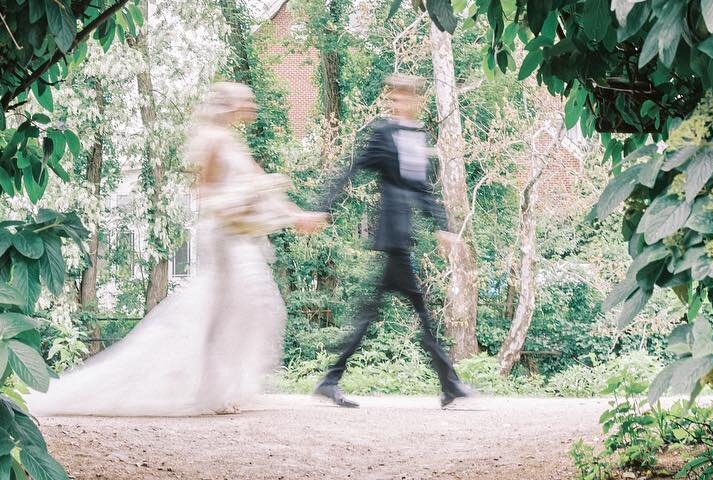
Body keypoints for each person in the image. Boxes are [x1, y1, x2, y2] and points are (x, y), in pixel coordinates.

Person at [24, 81, 325, 417]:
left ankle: (226, 385)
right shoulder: (211, 141)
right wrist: (236, 204)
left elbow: (262, 187)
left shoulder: (236, 143)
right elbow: (205, 192)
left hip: (240, 237)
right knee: (227, 310)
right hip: (222, 235)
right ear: (230, 105)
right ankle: (212, 390)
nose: (251, 105)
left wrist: (297, 216)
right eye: (245, 100)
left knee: (255, 304)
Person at [313, 74, 473, 409]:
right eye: (396, 98)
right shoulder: (384, 133)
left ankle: (331, 379)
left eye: (406, 97)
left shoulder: (418, 137)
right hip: (392, 237)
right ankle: (449, 384)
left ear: (417, 100)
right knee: (417, 312)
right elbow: (353, 168)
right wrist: (324, 207)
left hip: (402, 238)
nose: (400, 102)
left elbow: (422, 190)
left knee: (375, 313)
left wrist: (442, 227)